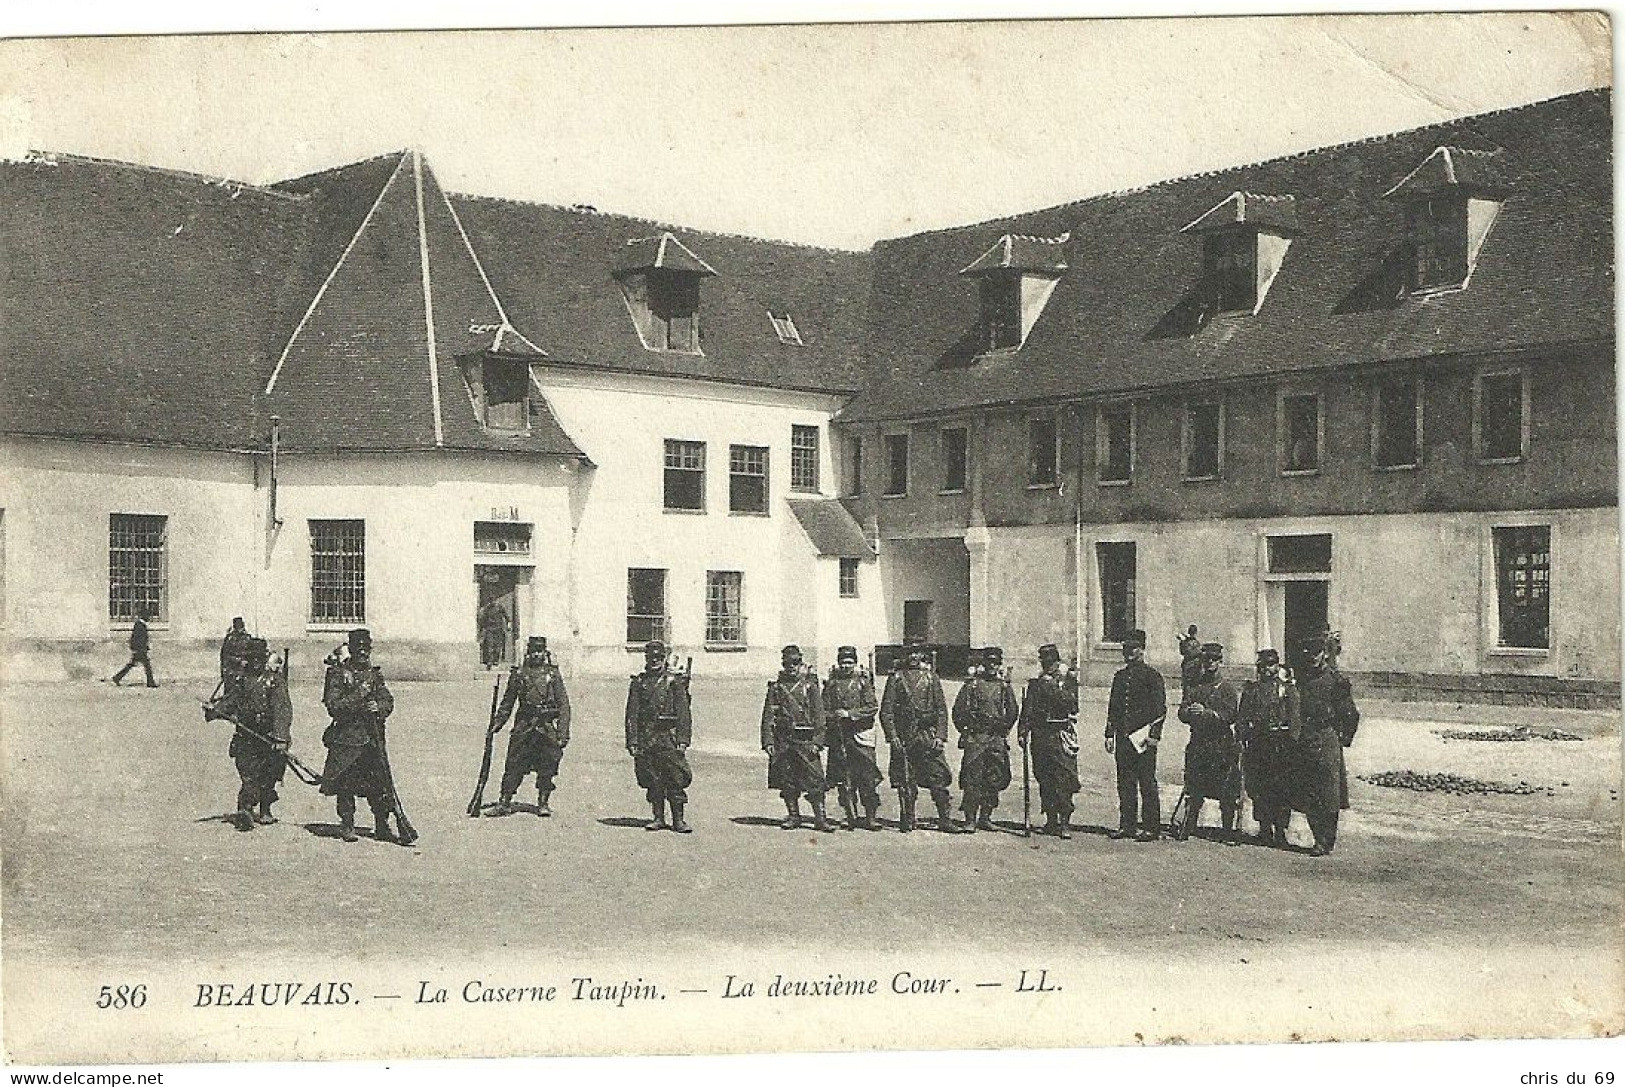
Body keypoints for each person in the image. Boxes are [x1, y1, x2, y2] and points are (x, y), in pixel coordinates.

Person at [319, 628, 399, 844]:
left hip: (372, 740)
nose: (363, 653)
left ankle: (382, 825)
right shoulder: (337, 674)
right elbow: (334, 706)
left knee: (380, 786)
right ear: (351, 650)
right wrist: (361, 695)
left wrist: (379, 707)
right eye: (358, 649)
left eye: (366, 649)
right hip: (347, 739)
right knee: (346, 785)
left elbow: (388, 700)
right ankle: (347, 825)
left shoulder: (375, 674)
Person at [204, 637, 292, 832]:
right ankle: (245, 809)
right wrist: (214, 710)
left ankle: (265, 808)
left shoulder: (275, 682)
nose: (255, 662)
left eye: (259, 658)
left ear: (265, 658)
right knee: (249, 774)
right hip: (246, 735)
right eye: (251, 658)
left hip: (269, 737)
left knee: (269, 775)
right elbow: (230, 701)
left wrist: (280, 737)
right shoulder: (241, 681)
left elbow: (282, 710)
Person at [879, 639, 964, 833]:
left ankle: (944, 819)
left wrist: (940, 737)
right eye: (910, 653)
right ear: (904, 655)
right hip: (905, 737)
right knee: (905, 780)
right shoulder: (896, 678)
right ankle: (907, 817)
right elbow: (887, 712)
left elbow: (942, 710)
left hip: (928, 735)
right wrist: (893, 738)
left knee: (938, 777)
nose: (914, 657)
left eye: (917, 653)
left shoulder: (931, 678)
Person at [1290, 631, 1360, 856]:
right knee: (1309, 790)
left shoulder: (1336, 682)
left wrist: (1341, 738)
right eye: (1308, 653)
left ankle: (1326, 840)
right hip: (1306, 738)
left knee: (1328, 792)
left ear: (1324, 654)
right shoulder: (1302, 679)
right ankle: (1317, 836)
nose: (1312, 657)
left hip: (1327, 738)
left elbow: (1350, 714)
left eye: (1317, 653)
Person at [490, 636, 571, 818]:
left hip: (546, 727)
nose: (536, 655)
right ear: (528, 653)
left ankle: (543, 803)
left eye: (539, 651)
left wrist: (562, 732)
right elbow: (507, 702)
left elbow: (564, 704)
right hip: (524, 725)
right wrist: (498, 723)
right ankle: (505, 801)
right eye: (533, 651)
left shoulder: (553, 675)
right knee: (513, 763)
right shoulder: (519, 675)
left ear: (544, 653)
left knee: (548, 765)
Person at [761, 645, 832, 832]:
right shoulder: (775, 688)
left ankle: (820, 818)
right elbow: (768, 716)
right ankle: (793, 816)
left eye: (795, 663)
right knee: (787, 779)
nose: (791, 667)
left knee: (816, 780)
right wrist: (768, 741)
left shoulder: (810, 687)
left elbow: (819, 717)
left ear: (801, 663)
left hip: (806, 741)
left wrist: (818, 742)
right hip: (783, 741)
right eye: (787, 663)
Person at [624, 640, 693, 833]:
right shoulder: (639, 683)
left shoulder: (674, 682)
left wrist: (683, 739)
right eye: (651, 658)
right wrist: (633, 741)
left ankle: (678, 820)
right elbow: (632, 714)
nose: (654, 661)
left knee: (675, 779)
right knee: (652, 780)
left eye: (658, 658)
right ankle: (658, 817)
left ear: (664, 659)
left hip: (668, 738)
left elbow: (683, 713)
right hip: (647, 738)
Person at [1177, 642, 1242, 842]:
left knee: (1226, 789)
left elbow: (1231, 715)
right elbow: (1181, 711)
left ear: (1220, 661)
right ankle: (1189, 825)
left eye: (1214, 659)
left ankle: (1227, 830)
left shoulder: (1227, 688)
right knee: (1194, 786)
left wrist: (1208, 714)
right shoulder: (1196, 687)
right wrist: (1189, 712)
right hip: (1199, 742)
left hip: (1221, 744)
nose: (1210, 663)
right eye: (1207, 660)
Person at [1105, 629, 1166, 842]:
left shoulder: (1152, 676)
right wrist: (1109, 733)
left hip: (1143, 738)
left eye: (1133, 648)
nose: (1128, 653)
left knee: (1147, 782)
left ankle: (1151, 827)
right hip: (1123, 737)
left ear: (1142, 650)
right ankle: (1127, 825)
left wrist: (1154, 736)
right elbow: (1113, 707)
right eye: (1126, 649)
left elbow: (1160, 710)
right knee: (1125, 782)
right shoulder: (1120, 677)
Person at [1237, 649, 1300, 848]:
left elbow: (1295, 719)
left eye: (1271, 664)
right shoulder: (1252, 690)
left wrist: (1292, 743)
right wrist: (1241, 737)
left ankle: (1280, 830)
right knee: (1259, 787)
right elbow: (1242, 717)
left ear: (1277, 666)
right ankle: (1264, 828)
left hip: (1281, 745)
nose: (1267, 669)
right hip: (1258, 744)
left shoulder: (1287, 690)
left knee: (1281, 788)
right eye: (1263, 665)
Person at [1018, 644, 1081, 837]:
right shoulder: (1035, 684)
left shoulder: (1067, 682)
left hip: (1060, 734)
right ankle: (1051, 819)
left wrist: (1054, 686)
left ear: (1057, 663)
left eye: (1052, 663)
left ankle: (1064, 822)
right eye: (1045, 663)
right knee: (1045, 778)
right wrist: (1022, 731)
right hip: (1041, 736)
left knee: (1064, 778)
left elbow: (1073, 706)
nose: (1048, 667)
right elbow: (1027, 710)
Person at [953, 646, 1019, 833]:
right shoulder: (972, 685)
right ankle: (970, 819)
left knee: (994, 776)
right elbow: (958, 711)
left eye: (996, 662)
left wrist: (1004, 728)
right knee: (972, 778)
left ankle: (986, 817)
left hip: (995, 737)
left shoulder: (1004, 686)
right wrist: (966, 731)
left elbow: (1013, 711)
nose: (992, 666)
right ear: (983, 664)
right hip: (976, 737)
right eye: (989, 662)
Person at [822, 645, 883, 831]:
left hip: (861, 737)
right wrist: (835, 716)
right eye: (843, 662)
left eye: (850, 662)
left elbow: (872, 707)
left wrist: (850, 714)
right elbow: (822, 710)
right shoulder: (831, 684)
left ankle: (870, 817)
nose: (846, 666)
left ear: (855, 663)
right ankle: (851, 816)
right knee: (844, 780)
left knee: (867, 778)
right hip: (840, 738)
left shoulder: (863, 683)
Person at [110, 608, 158, 687]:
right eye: (148, 616)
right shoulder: (139, 625)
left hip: (140, 649)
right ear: (144, 616)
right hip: (140, 649)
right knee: (146, 666)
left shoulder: (141, 624)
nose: (149, 618)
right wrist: (138, 648)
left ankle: (117, 677)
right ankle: (150, 682)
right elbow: (135, 638)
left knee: (132, 665)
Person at [219, 617, 254, 698]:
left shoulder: (246, 638)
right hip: (232, 671)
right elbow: (225, 656)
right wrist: (239, 661)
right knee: (231, 694)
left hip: (243, 671)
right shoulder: (230, 639)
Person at [478, 600, 511, 670]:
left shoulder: (500, 607)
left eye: (493, 600)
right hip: (490, 629)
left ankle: (496, 660)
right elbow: (483, 619)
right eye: (491, 600)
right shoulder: (486, 609)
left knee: (498, 645)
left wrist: (508, 624)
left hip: (498, 629)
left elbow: (506, 616)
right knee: (490, 645)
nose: (492, 602)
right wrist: (483, 628)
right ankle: (490, 661)